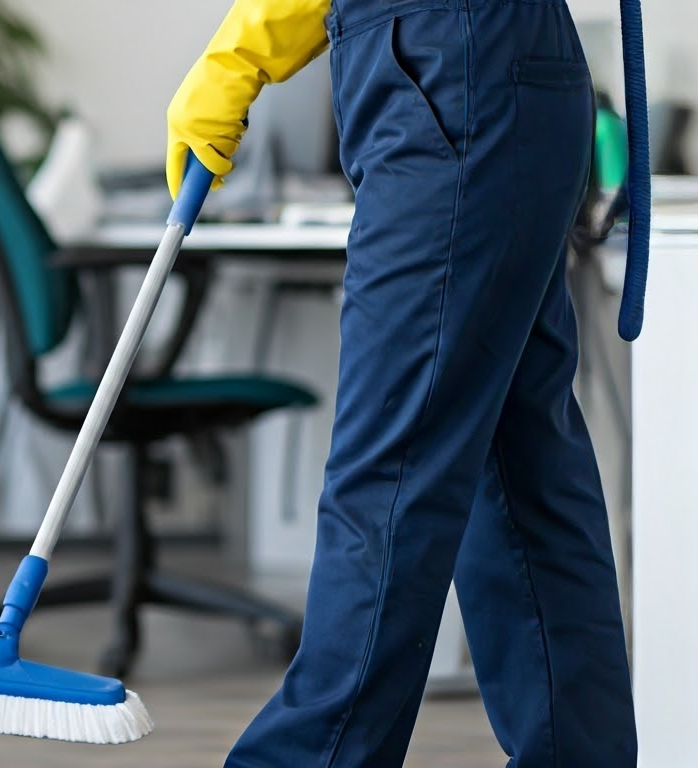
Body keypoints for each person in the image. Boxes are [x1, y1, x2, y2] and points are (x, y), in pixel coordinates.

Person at [165, 0, 638, 766]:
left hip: (451, 63)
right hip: (492, 65)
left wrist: (245, 45)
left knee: (390, 466)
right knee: (519, 469)